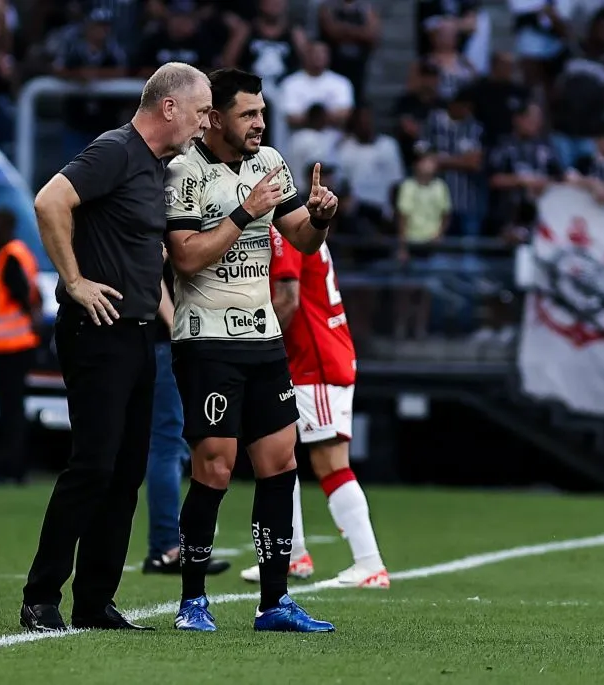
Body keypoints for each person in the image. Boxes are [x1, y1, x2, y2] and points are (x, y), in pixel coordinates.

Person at [20, 62, 213, 632]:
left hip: (134, 334)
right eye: (201, 110)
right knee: (93, 465)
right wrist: (74, 281)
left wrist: (172, 321)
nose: (205, 122)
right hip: (95, 331)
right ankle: (40, 596)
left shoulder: (156, 166)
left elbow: (143, 259)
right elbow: (49, 202)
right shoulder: (116, 149)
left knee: (127, 471)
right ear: (169, 107)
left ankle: (95, 600)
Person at [165, 68, 338, 633]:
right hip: (207, 339)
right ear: (214, 118)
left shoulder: (270, 164)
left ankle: (274, 602)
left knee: (280, 461)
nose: (261, 123)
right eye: (249, 114)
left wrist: (319, 217)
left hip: (264, 338)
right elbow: (185, 259)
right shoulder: (185, 170)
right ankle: (193, 601)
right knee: (214, 467)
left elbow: (301, 238)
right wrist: (243, 213)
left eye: (262, 112)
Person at [237, 226, 390, 588]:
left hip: (315, 361)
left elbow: (287, 299)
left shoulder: (282, 230)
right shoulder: (298, 226)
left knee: (330, 463)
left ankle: (369, 564)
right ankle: (291, 555)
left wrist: (252, 346)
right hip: (311, 357)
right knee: (277, 452)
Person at [142, 254, 231, 576]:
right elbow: (152, 274)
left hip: (167, 342)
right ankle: (167, 546)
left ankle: (165, 545)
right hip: (167, 343)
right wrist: (177, 324)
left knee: (168, 443)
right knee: (168, 443)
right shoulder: (168, 211)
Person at [0, 207, 42, 485]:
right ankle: (12, 467)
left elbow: (21, 293)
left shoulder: (9, 256)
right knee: (14, 408)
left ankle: (11, 468)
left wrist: (30, 319)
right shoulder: (18, 252)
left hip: (11, 345)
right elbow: (35, 294)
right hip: (16, 343)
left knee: (11, 410)